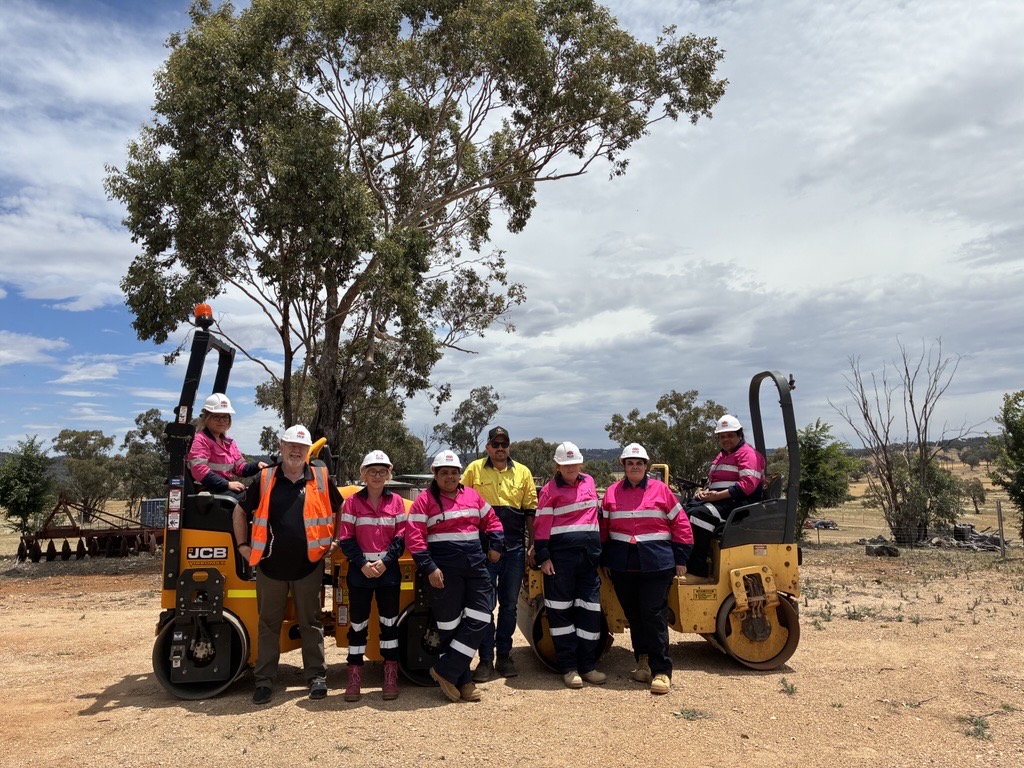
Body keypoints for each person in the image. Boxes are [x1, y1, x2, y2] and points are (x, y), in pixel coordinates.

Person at [232, 425, 341, 705]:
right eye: (290, 445)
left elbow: (339, 508)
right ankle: (264, 680)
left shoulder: (320, 477)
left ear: (307, 451)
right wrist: (242, 546)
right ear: (281, 447)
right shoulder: (265, 478)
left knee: (311, 623)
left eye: (301, 447)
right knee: (268, 625)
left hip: (309, 566)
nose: (296, 450)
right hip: (270, 567)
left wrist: (335, 540)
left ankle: (316, 677)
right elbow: (239, 511)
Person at [405, 449, 503, 703]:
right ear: (435, 475)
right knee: (450, 626)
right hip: (443, 568)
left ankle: (445, 670)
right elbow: (414, 537)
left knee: (481, 617)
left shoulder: (472, 496)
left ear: (460, 474)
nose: (449, 477)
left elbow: (493, 521)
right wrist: (429, 568)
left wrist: (495, 545)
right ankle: (464, 681)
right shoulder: (424, 501)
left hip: (475, 565)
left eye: (454, 472)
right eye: (444, 473)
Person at [600, 442, 693, 695]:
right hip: (622, 564)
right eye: (630, 463)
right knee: (634, 615)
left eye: (639, 463)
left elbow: (681, 523)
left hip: (656, 564)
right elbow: (604, 529)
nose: (634, 467)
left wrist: (681, 558)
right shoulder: (611, 493)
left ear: (646, 466)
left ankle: (661, 670)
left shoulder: (661, 490)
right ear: (623, 466)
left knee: (653, 614)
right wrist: (606, 559)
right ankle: (641, 660)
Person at [460, 426, 537, 682]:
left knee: (509, 606)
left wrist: (532, 544)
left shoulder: (523, 472)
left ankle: (504, 656)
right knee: (484, 606)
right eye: (496, 444)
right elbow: (461, 504)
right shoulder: (474, 470)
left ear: (509, 447)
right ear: (488, 447)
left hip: (514, 550)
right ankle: (485, 659)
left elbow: (530, 512)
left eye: (504, 444)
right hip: (483, 551)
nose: (500, 448)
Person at [336, 450, 407, 702]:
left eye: (382, 471)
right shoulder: (352, 503)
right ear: (363, 474)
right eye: (372, 471)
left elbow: (401, 537)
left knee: (389, 625)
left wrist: (385, 562)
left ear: (388, 474)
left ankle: (390, 676)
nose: (377, 476)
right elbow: (346, 538)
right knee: (358, 626)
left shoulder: (396, 502)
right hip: (360, 573)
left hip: (388, 573)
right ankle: (354, 677)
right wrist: (363, 564)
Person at [534, 442, 605, 689]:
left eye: (574, 463)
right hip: (560, 562)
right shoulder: (549, 490)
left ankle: (587, 666)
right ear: (557, 466)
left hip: (588, 560)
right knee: (560, 614)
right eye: (566, 465)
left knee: (590, 612)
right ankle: (569, 668)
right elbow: (541, 525)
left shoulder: (589, 482)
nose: (571, 468)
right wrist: (544, 557)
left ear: (580, 463)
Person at [685, 415, 767, 577]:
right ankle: (685, 562)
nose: (725, 439)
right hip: (723, 501)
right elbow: (714, 481)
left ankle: (697, 570)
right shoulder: (722, 456)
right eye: (722, 436)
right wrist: (704, 492)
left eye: (730, 435)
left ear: (740, 435)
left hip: (741, 504)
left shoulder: (748, 454)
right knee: (684, 511)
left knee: (699, 516)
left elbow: (747, 486)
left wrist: (716, 497)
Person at [186, 393, 267, 498]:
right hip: (208, 490)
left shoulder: (229, 443)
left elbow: (240, 468)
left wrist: (257, 465)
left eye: (225, 417)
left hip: (223, 488)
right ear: (207, 418)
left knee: (261, 496)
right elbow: (199, 471)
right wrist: (227, 484)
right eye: (216, 416)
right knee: (247, 501)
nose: (221, 421)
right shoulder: (200, 439)